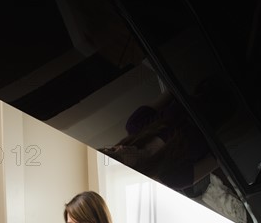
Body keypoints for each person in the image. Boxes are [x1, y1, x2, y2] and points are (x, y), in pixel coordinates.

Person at [100, 75, 236, 195]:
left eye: (112, 149)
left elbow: (172, 89)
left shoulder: (135, 125)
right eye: (119, 158)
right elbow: (224, 156)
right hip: (236, 115)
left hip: (213, 85)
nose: (120, 149)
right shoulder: (174, 177)